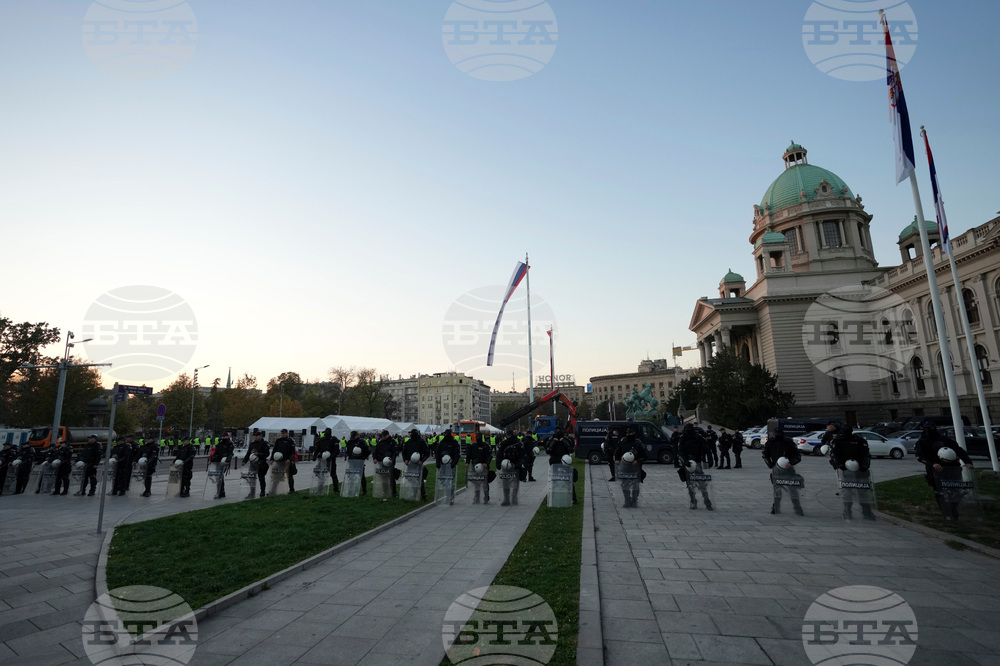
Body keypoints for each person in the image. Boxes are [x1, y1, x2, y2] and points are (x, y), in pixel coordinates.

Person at [915, 424, 974, 522]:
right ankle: (947, 514)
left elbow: (958, 450)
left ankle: (953, 510)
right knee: (940, 492)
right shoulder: (922, 442)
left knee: (956, 490)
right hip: (936, 470)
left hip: (952, 467)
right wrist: (933, 463)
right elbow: (920, 456)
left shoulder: (943, 439)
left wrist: (967, 462)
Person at [829, 425, 874, 520]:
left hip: (860, 470)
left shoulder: (859, 440)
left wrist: (865, 466)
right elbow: (835, 455)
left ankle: (867, 512)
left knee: (862, 491)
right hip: (845, 469)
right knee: (847, 491)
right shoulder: (838, 441)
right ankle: (847, 512)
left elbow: (866, 454)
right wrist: (839, 465)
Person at [762, 427, 803, 515]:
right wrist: (771, 464)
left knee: (792, 489)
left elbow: (797, 456)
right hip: (776, 468)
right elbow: (765, 454)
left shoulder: (788, 442)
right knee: (777, 489)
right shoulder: (771, 442)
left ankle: (797, 507)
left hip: (788, 468)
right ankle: (776, 507)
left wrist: (791, 463)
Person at [677, 423, 713, 510]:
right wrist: (685, 461)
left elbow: (706, 448)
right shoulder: (683, 439)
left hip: (697, 462)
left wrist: (710, 459)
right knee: (690, 484)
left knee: (701, 483)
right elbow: (681, 451)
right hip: (688, 463)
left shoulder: (698, 437)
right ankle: (693, 500)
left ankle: (706, 500)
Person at [614, 428, 646, 508]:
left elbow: (645, 456)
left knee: (635, 485)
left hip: (635, 467)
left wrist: (637, 460)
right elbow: (617, 451)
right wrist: (617, 459)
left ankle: (634, 500)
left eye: (631, 434)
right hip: (624, 467)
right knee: (624, 484)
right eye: (628, 434)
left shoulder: (638, 443)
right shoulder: (623, 442)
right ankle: (627, 500)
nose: (629, 436)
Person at [546, 426, 577, 505]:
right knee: (553, 480)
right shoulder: (551, 439)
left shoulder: (566, 439)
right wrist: (554, 442)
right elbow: (548, 450)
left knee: (568, 480)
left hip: (564, 461)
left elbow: (571, 449)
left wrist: (564, 441)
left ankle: (573, 498)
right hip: (554, 461)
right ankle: (551, 497)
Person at [402, 428, 431, 501]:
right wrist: (405, 459)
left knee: (419, 479)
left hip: (417, 464)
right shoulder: (409, 442)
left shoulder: (421, 442)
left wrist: (422, 461)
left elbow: (427, 453)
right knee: (411, 479)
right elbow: (404, 452)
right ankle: (414, 493)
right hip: (410, 463)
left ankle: (422, 494)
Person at [498, 428, 523, 506]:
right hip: (505, 465)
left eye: (509, 435)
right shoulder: (504, 443)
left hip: (515, 465)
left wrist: (518, 464)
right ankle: (506, 499)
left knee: (515, 482)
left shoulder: (518, 443)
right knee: (505, 482)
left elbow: (522, 455)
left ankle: (514, 497)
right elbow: (499, 454)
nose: (508, 436)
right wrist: (498, 464)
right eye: (507, 435)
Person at [466, 431, 493, 504]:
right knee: (476, 482)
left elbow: (489, 456)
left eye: (479, 437)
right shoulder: (473, 446)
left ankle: (486, 497)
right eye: (477, 436)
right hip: (475, 465)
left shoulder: (485, 446)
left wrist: (486, 463)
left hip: (483, 466)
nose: (478, 438)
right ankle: (477, 497)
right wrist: (467, 462)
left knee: (484, 483)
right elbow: (468, 455)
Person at [435, 429, 460, 504]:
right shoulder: (442, 443)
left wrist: (454, 463)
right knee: (443, 480)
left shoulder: (454, 442)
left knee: (450, 481)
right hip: (442, 465)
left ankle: (451, 497)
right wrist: (438, 462)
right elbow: (438, 453)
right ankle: (447, 495)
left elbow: (457, 454)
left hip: (450, 464)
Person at [313, 428, 341, 495]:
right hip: (322, 460)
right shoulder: (322, 440)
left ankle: (336, 490)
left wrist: (331, 457)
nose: (326, 434)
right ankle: (320, 489)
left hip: (331, 460)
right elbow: (317, 449)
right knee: (320, 474)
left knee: (333, 475)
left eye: (327, 432)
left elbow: (336, 451)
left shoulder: (334, 440)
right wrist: (315, 456)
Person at [373, 430, 399, 498]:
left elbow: (395, 452)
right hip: (381, 462)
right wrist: (375, 458)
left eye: (384, 436)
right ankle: (385, 491)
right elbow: (376, 451)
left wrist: (392, 460)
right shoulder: (381, 442)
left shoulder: (392, 442)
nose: (383, 437)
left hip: (389, 462)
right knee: (384, 478)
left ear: (387, 435)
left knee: (391, 478)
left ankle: (393, 492)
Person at [272, 429, 298, 494]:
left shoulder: (290, 441)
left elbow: (292, 452)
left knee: (289, 476)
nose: (282, 434)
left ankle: (291, 489)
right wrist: (272, 458)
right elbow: (274, 450)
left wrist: (289, 459)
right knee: (276, 475)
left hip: (287, 461)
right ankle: (273, 490)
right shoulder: (278, 441)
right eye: (282, 433)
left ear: (287, 433)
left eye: (284, 433)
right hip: (279, 461)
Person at [245, 432, 270, 497]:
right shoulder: (252, 444)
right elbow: (248, 453)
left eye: (257, 436)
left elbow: (267, 454)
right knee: (251, 479)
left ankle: (262, 491)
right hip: (253, 464)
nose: (256, 437)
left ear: (261, 436)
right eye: (255, 436)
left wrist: (259, 454)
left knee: (261, 478)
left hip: (261, 463)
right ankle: (252, 492)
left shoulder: (264, 444)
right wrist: (244, 461)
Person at [345, 430, 370, 496]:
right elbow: (348, 451)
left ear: (357, 435)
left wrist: (363, 457)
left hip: (359, 461)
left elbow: (367, 451)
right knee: (351, 476)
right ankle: (351, 489)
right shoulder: (350, 442)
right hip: (352, 461)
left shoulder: (361, 442)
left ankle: (364, 491)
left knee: (361, 476)